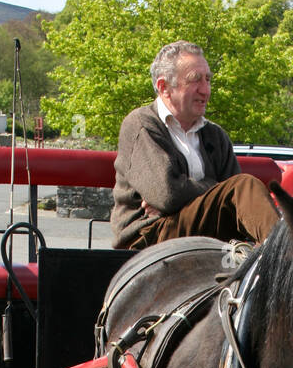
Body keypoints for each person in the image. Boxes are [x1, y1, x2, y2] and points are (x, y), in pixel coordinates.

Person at [111, 41, 279, 250]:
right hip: (151, 232)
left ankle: (285, 256)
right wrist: (215, 189)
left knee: (242, 190)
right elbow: (167, 194)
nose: (205, 90)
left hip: (204, 231)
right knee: (244, 186)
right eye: (195, 80)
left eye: (208, 80)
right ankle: (288, 259)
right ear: (164, 87)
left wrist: (214, 193)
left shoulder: (215, 135)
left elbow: (234, 203)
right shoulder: (141, 124)